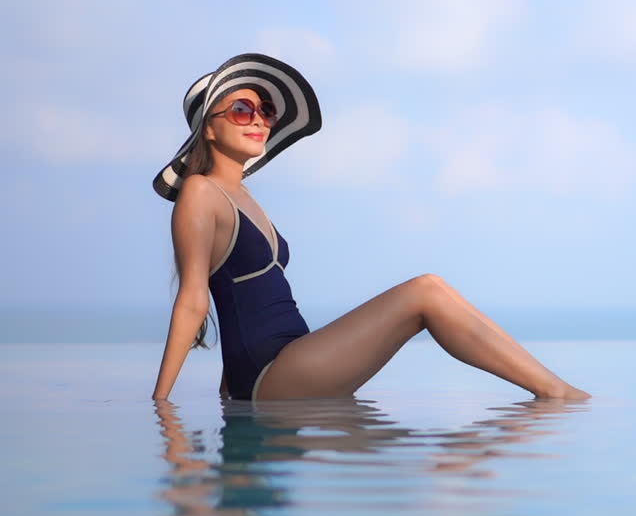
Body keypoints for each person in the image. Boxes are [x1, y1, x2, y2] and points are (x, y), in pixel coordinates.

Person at [150, 54, 589, 402]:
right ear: (209, 128)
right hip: (275, 372)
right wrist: (162, 405)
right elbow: (194, 300)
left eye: (265, 110)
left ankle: (555, 388)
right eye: (243, 110)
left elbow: (240, 299)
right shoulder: (200, 192)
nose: (261, 119)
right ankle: (556, 391)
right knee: (426, 291)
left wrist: (230, 396)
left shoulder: (243, 197)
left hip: (288, 363)